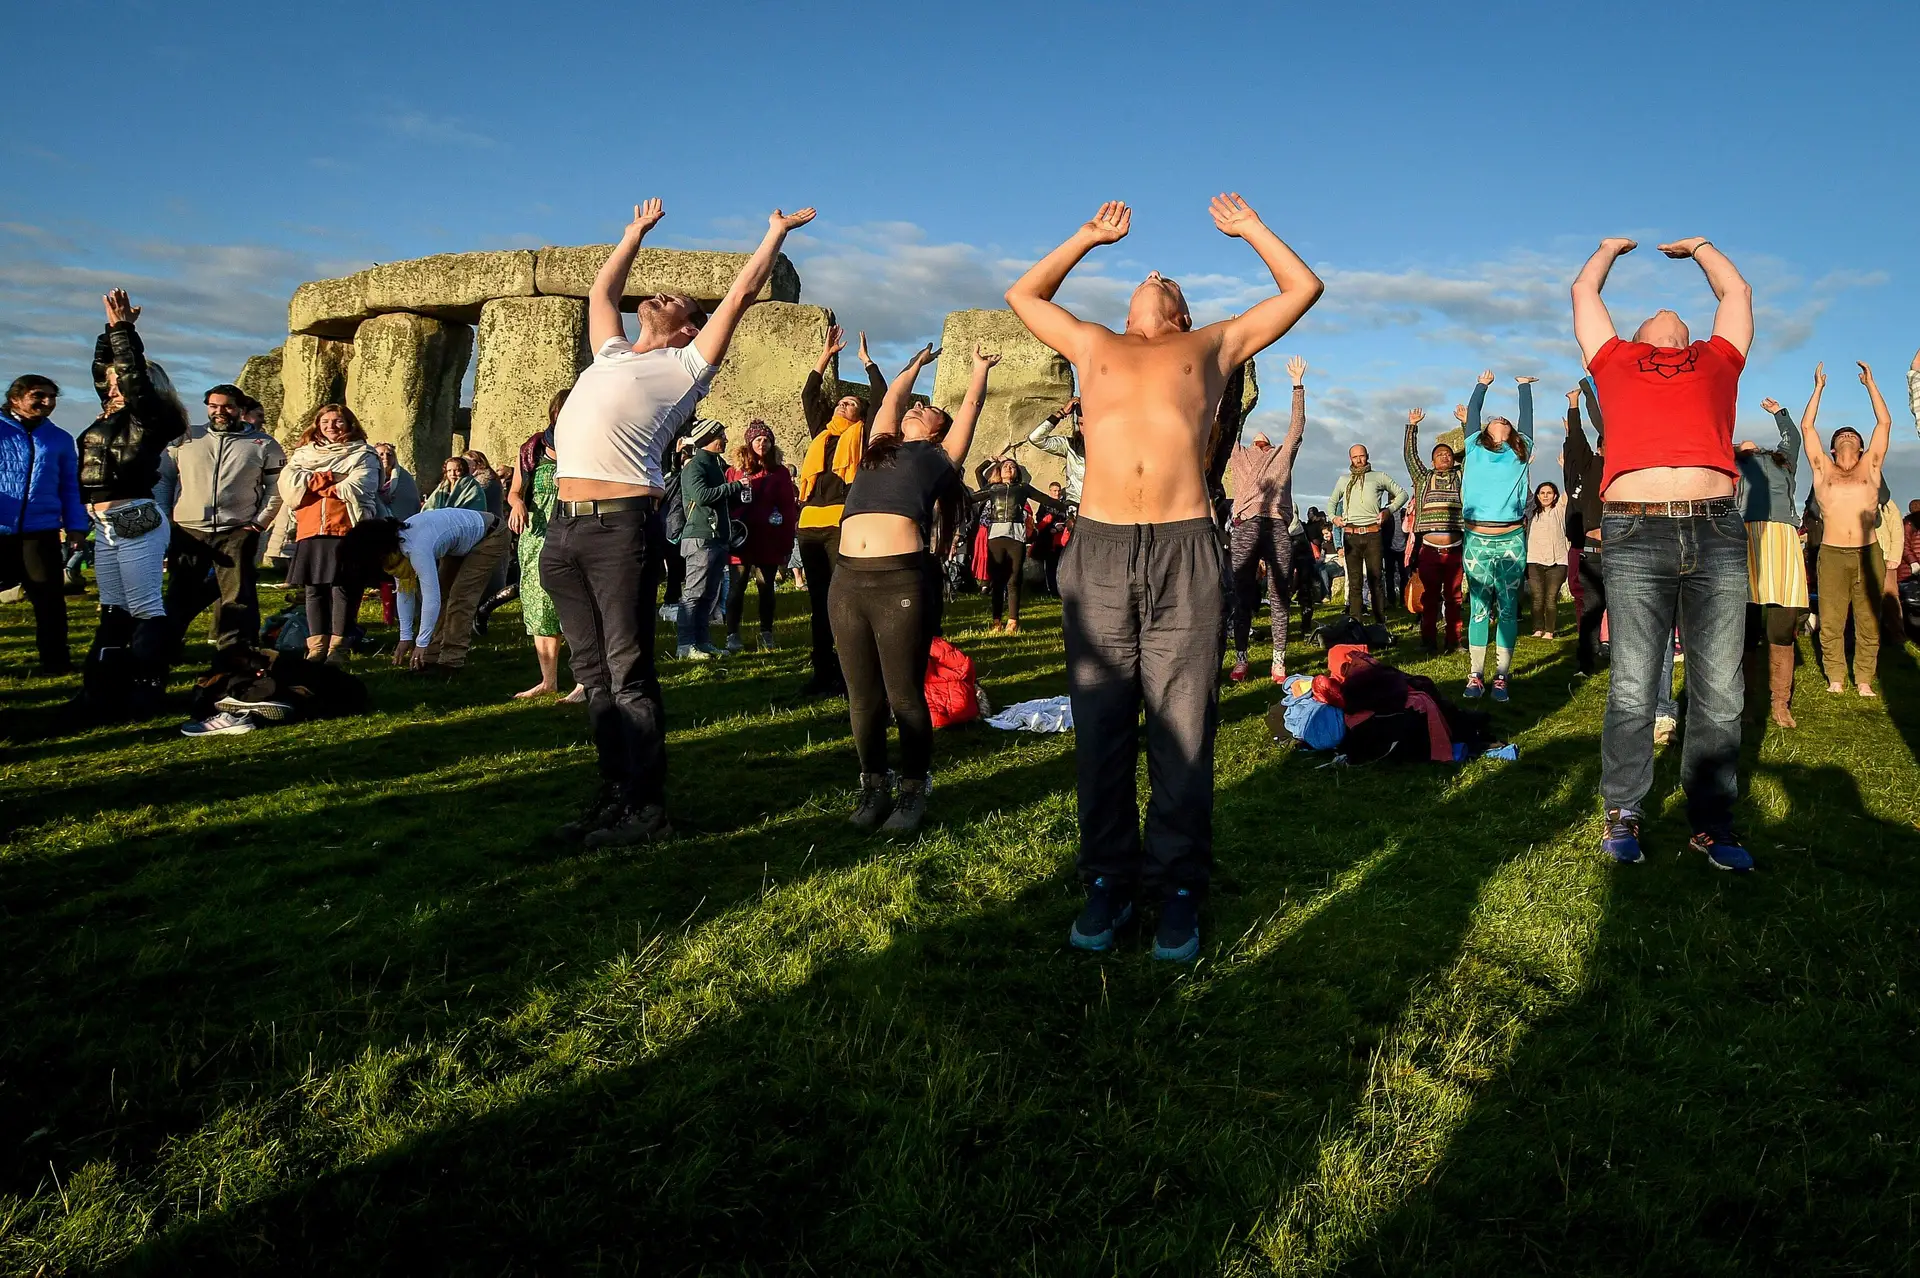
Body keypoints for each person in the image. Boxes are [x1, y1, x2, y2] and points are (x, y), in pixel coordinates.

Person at [1007, 194, 1322, 962]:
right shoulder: (1093, 344)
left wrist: (1250, 229)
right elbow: (1023, 295)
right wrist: (1085, 235)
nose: (1153, 275)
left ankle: (1179, 886)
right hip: (1102, 547)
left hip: (1186, 544)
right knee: (1103, 728)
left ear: (1181, 311)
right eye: (1145, 277)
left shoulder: (1211, 346)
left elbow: (1302, 288)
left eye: (1168, 280)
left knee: (1184, 726)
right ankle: (1107, 881)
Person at [543, 197, 813, 849]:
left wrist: (772, 231)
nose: (667, 294)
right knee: (594, 674)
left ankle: (646, 807)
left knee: (627, 669)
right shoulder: (610, 355)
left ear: (692, 328)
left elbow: (743, 292)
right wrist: (631, 234)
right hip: (564, 530)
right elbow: (602, 290)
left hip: (618, 529)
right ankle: (614, 794)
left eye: (682, 301)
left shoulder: (686, 368)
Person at [1572, 234, 1754, 871]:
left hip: (1716, 530)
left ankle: (1712, 821)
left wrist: (1704, 248)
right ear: (1641, 333)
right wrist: (1607, 249)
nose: (1666, 309)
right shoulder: (1616, 359)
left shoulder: (1718, 361)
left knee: (1720, 690)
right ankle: (1623, 810)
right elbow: (1584, 292)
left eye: (1679, 312)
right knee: (1631, 684)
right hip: (1634, 530)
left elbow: (1736, 293)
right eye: (1653, 310)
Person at [833, 342, 992, 834]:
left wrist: (978, 370)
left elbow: (969, 409)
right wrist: (915, 366)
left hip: (900, 580)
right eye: (917, 405)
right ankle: (873, 785)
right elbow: (891, 402)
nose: (917, 408)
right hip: (847, 581)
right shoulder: (879, 449)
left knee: (903, 695)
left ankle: (911, 790)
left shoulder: (940, 457)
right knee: (863, 698)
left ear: (938, 430)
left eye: (928, 410)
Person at [76, 289, 190, 716]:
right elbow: (101, 371)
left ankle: (146, 687)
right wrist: (110, 332)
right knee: (114, 607)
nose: (113, 388)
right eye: (111, 386)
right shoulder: (109, 417)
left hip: (133, 517)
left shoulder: (150, 417)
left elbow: (133, 380)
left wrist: (125, 331)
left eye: (119, 382)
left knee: (144, 606)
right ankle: (103, 687)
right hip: (103, 522)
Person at [157, 383, 286, 653]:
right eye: (214, 406)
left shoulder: (263, 444)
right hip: (188, 529)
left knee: (238, 596)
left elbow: (276, 488)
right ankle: (164, 647)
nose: (220, 412)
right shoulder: (186, 438)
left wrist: (259, 522)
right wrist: (166, 514)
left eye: (227, 406)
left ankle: (236, 652)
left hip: (237, 529)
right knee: (179, 593)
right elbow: (165, 478)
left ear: (240, 409)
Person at [795, 326, 888, 697]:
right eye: (841, 401)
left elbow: (881, 399)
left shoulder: (864, 436)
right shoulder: (824, 433)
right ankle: (823, 672)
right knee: (819, 602)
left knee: (843, 601)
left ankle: (855, 674)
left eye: (850, 403)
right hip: (809, 525)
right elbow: (809, 394)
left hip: (840, 524)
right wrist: (826, 354)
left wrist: (867, 362)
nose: (843, 404)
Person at [1803, 361, 1892, 696]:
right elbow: (1808, 428)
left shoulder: (1871, 467)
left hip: (1869, 553)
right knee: (1831, 619)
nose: (1848, 436)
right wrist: (1818, 389)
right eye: (1841, 435)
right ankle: (1836, 676)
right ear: (1833, 447)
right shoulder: (1823, 471)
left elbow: (1884, 422)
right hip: (1833, 553)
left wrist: (1870, 384)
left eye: (1853, 435)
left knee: (1869, 619)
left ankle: (1865, 678)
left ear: (1861, 446)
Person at [339, 507, 510, 674]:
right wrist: (405, 637)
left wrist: (420, 643)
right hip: (462, 542)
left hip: (491, 534)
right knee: (445, 595)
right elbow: (404, 592)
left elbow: (430, 598)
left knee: (461, 598)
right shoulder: (395, 554)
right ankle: (431, 657)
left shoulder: (416, 548)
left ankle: (452, 661)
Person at [280, 402, 382, 666]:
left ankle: (339, 646)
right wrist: (332, 478)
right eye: (325, 422)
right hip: (311, 528)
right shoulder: (303, 454)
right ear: (318, 425)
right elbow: (289, 486)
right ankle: (316, 646)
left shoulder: (362, 453)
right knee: (314, 589)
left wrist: (312, 484)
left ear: (349, 424)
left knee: (343, 588)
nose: (331, 427)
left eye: (337, 422)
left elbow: (361, 485)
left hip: (345, 529)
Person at [1226, 355, 1307, 682]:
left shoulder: (1281, 455)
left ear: (1271, 445)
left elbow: (1297, 426)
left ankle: (1278, 660)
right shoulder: (1238, 455)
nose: (1261, 440)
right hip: (1246, 526)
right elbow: (1228, 419)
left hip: (1275, 525)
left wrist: (1297, 385)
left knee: (1279, 593)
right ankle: (1241, 659)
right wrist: (1234, 369)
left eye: (1266, 441)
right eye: (1255, 439)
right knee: (1240, 595)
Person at [1735, 387, 1813, 726]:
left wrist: (1780, 412)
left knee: (1781, 628)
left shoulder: (1782, 463)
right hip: (1748, 537)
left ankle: (1780, 703)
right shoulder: (1735, 469)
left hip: (1782, 536)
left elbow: (1792, 439)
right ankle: (1748, 700)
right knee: (1748, 624)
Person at [1457, 371, 1535, 701]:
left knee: (1506, 607)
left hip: (1511, 537)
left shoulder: (1521, 450)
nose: (1499, 419)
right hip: (1477, 538)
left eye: (1504, 419)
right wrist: (1482, 385)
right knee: (1478, 607)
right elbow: (1473, 412)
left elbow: (1527, 419)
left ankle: (1501, 676)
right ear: (1484, 431)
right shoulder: (1474, 447)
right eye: (1493, 419)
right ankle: (1475, 675)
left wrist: (1524, 387)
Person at [0, 374, 86, 673]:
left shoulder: (60, 438)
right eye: (39, 395)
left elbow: (70, 487)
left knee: (49, 600)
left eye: (52, 397)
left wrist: (76, 525)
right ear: (16, 398)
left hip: (41, 531)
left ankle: (56, 662)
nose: (47, 402)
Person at [503, 390, 581, 699]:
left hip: (572, 532)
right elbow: (515, 491)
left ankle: (584, 682)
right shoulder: (532, 449)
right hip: (535, 536)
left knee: (573, 606)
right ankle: (548, 681)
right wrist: (516, 504)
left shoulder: (587, 446)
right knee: (539, 607)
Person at [675, 417, 748, 660]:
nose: (725, 440)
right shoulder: (695, 466)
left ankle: (703, 642)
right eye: (721, 437)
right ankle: (685, 646)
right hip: (700, 538)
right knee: (694, 594)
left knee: (709, 594)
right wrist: (735, 487)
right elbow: (702, 495)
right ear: (708, 439)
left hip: (716, 538)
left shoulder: (715, 465)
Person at [725, 420, 799, 653]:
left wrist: (786, 541)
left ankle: (766, 632)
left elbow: (787, 507)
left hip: (769, 538)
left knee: (766, 587)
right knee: (737, 587)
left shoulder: (780, 472)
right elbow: (726, 501)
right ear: (749, 443)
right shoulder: (735, 471)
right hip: (742, 537)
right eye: (758, 439)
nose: (763, 443)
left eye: (767, 440)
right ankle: (732, 634)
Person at [970, 454, 1064, 632]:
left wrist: (1070, 506)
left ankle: (1013, 621)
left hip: (1016, 538)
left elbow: (1047, 499)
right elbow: (970, 498)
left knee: (1014, 580)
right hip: (995, 537)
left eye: (1012, 466)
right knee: (997, 580)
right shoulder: (993, 488)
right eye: (1005, 466)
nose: (1008, 468)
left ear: (1017, 472)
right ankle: (996, 621)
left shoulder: (1023, 488)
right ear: (999, 470)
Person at [1404, 407, 1465, 652]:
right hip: (1429, 550)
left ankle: (1454, 642)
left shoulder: (1461, 476)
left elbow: (1473, 453)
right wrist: (1412, 427)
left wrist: (1465, 423)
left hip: (1455, 550)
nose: (1444, 457)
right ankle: (1428, 642)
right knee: (1429, 598)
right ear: (1432, 461)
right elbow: (1409, 456)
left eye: (1448, 454)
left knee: (1454, 598)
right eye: (1440, 454)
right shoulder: (1423, 478)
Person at [1329, 443, 1407, 625]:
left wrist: (1389, 510)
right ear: (1350, 459)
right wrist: (1334, 518)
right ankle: (1355, 624)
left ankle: (1380, 623)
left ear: (1367, 456)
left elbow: (1402, 494)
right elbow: (1332, 502)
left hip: (1373, 533)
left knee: (1375, 580)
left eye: (1361, 456)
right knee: (1355, 583)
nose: (1359, 460)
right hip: (1351, 535)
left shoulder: (1378, 477)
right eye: (1355, 457)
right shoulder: (1343, 480)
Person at [1563, 381, 1608, 674]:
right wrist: (1575, 404)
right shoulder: (1592, 467)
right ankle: (1587, 662)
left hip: (1625, 550)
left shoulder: (1629, 471)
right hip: (1593, 550)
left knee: (1627, 612)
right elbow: (1577, 443)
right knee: (1592, 607)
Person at [1524, 481, 1569, 638]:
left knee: (1551, 598)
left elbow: (1568, 491)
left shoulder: (1559, 510)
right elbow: (1526, 489)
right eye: (1542, 493)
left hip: (1557, 561)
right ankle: (1537, 629)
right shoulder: (1531, 512)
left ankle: (1549, 631)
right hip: (1533, 560)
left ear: (1555, 495)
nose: (1545, 496)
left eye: (1549, 493)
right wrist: (1525, 468)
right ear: (1538, 496)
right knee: (1537, 598)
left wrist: (1565, 468)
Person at [1026, 397, 1086, 504]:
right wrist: (1061, 413)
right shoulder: (1070, 446)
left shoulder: (1112, 446)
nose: (1085, 429)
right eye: (1081, 424)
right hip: (1076, 505)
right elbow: (1036, 438)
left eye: (1088, 423)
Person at [1031, 482, 1071, 596]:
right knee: (1049, 566)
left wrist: (1060, 527)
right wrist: (1050, 527)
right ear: (1050, 491)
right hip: (1048, 540)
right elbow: (1040, 520)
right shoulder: (1045, 504)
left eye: (1058, 491)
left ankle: (1061, 590)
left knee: (1061, 565)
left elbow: (1068, 519)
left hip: (1061, 539)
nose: (1057, 493)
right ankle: (1051, 590)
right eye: (1054, 491)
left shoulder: (1064, 504)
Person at [372, 442, 421, 519]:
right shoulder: (369, 476)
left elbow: (411, 501)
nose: (385, 457)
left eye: (389, 454)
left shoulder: (405, 478)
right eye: (381, 454)